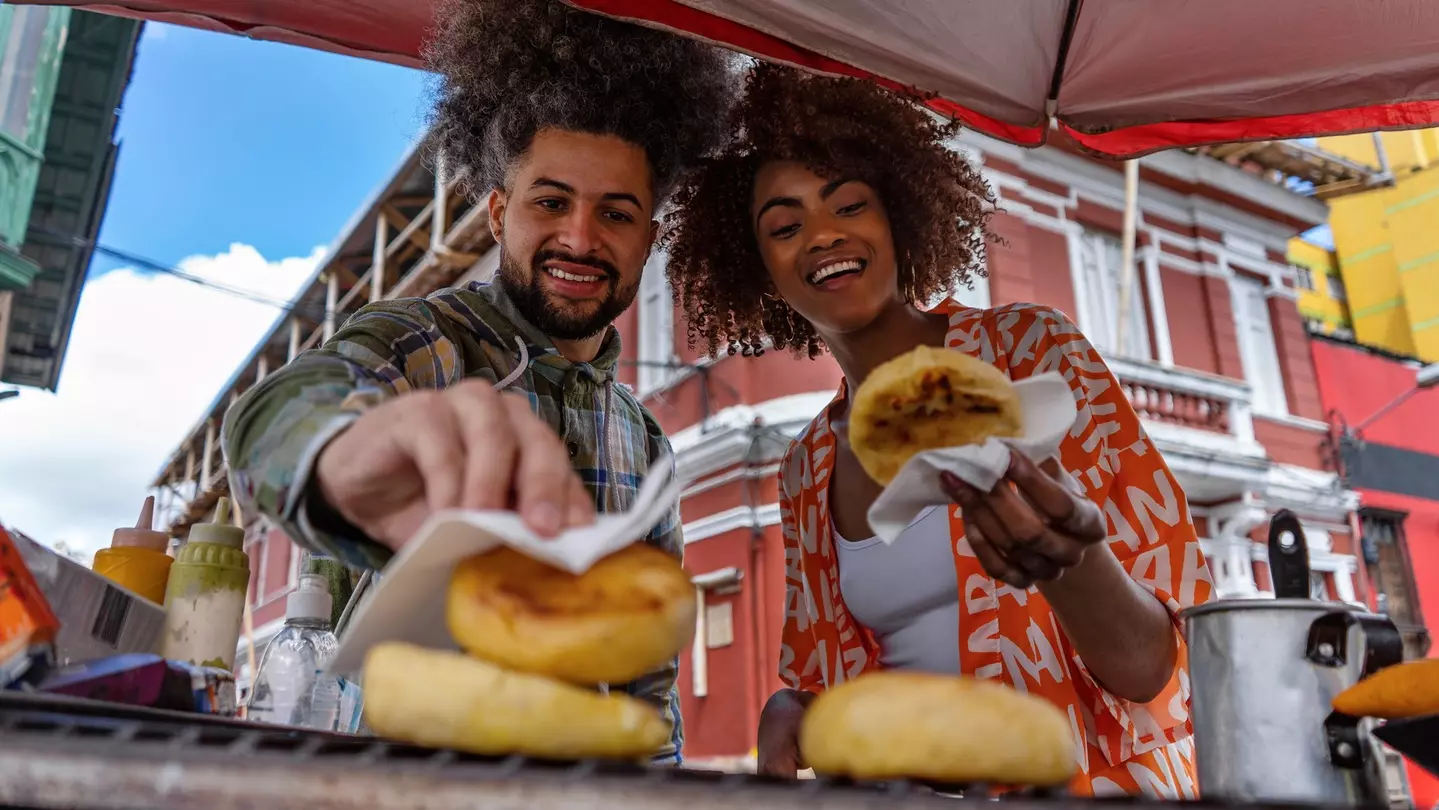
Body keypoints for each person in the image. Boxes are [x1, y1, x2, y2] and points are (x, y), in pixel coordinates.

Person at [662, 63, 1215, 797]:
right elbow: (833, 684)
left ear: (898, 217)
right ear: (762, 271)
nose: (822, 235)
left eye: (848, 204)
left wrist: (1070, 564)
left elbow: (1157, 671)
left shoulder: (1030, 357)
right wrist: (794, 705)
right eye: (785, 226)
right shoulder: (807, 466)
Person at [220, 0, 735, 766]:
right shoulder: (427, 341)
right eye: (551, 202)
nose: (580, 238)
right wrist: (337, 452)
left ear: (648, 240)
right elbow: (273, 416)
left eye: (616, 214)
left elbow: (648, 683)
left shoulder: (646, 439)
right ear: (498, 213)